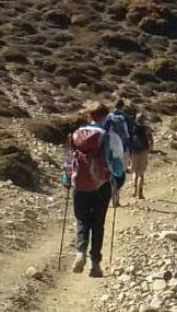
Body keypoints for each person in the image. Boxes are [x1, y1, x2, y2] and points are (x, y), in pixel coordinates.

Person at [62, 101, 125, 278]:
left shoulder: (75, 135)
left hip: (79, 184)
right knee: (98, 224)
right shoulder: (109, 136)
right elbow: (118, 165)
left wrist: (67, 180)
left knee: (82, 220)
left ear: (89, 116)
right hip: (101, 185)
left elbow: (69, 161)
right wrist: (118, 181)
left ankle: (80, 251)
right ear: (106, 117)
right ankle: (95, 265)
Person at [104, 98, 133, 206]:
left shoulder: (108, 117)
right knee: (120, 173)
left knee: (111, 173)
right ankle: (117, 198)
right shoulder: (125, 118)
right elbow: (130, 134)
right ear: (122, 106)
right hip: (123, 150)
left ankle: (110, 196)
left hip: (110, 149)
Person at [130, 112, 152, 200]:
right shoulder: (146, 128)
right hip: (143, 151)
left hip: (134, 152)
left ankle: (134, 190)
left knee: (134, 171)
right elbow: (151, 141)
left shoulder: (132, 128)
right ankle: (140, 193)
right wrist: (149, 149)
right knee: (141, 173)